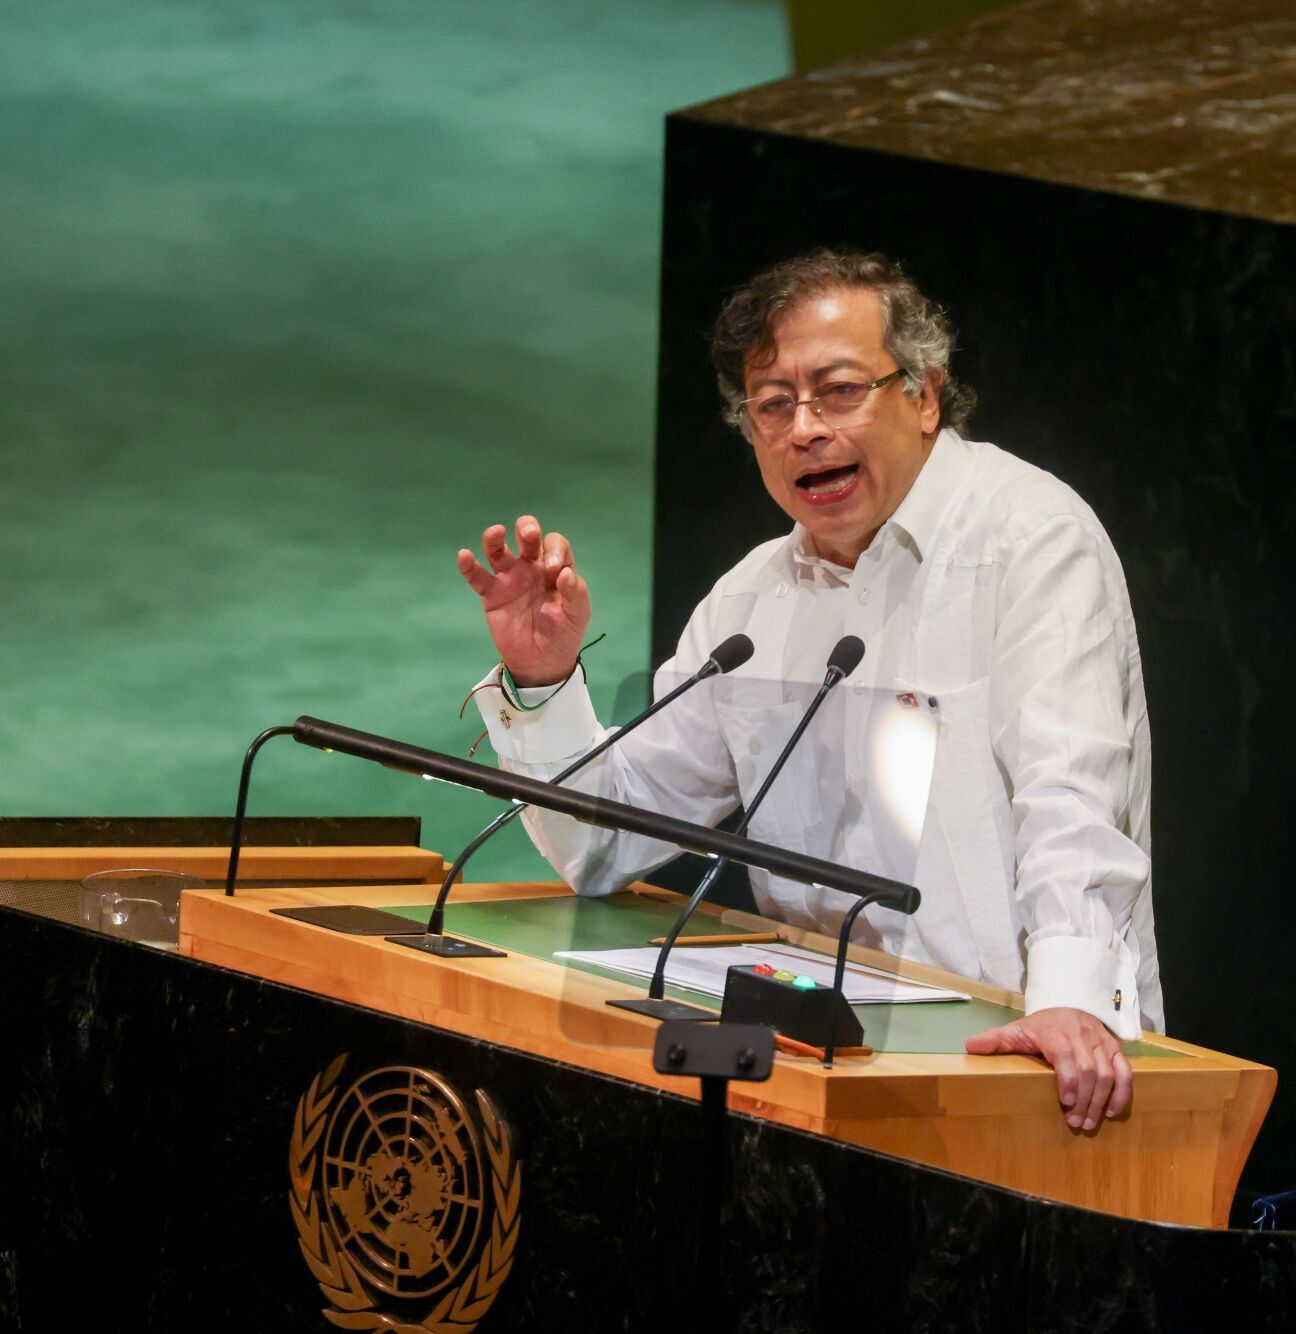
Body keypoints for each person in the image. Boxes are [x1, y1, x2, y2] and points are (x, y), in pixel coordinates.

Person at [457, 250, 1158, 1132]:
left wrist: (1071, 1002)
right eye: (772, 406)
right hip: (814, 1075)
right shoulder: (753, 597)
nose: (804, 431)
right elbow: (604, 847)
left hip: (1024, 1067)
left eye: (837, 391)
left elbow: (1075, 802)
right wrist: (543, 677)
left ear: (925, 394)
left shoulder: (1030, 541)